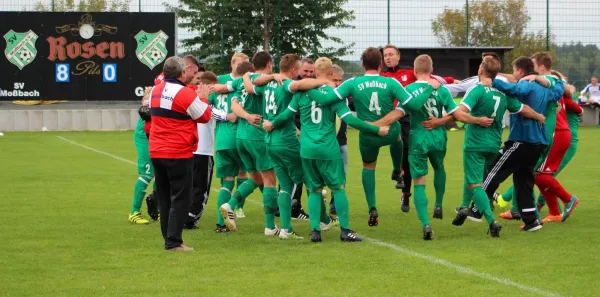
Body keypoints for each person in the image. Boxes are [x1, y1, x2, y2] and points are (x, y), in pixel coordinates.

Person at [294, 47, 440, 227]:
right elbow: (415, 105)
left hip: (368, 134)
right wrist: (428, 88)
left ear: (362, 64)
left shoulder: (353, 82)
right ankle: (397, 171)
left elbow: (325, 100)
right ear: (380, 64)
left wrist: (306, 88)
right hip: (388, 130)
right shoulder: (391, 82)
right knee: (397, 138)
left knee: (368, 167)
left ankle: (372, 207)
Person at [264, 57, 388, 243]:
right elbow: (351, 120)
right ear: (331, 73)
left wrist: (271, 124)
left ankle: (315, 232)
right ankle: (345, 231)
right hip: (328, 149)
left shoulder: (301, 93)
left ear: (314, 72)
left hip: (306, 149)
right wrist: (377, 129)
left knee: (314, 190)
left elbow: (286, 115)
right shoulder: (334, 94)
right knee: (338, 188)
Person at [403, 54, 486, 239]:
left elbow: (403, 110)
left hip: (418, 136)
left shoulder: (408, 89)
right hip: (438, 137)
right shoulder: (442, 90)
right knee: (439, 167)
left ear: (415, 71)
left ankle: (425, 224)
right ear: (431, 70)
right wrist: (441, 121)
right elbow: (455, 114)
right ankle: (438, 203)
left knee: (419, 181)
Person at [474, 56, 561, 232]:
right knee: (523, 181)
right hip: (538, 143)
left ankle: (476, 209)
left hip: (522, 140)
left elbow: (514, 89)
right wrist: (545, 80)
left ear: (521, 71)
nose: (514, 74)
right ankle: (531, 221)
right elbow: (558, 90)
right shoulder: (544, 88)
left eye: (514, 71)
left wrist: (492, 81)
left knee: (492, 169)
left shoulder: (526, 84)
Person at [237, 53, 312, 239]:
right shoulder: (286, 84)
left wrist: (246, 75)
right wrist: (323, 82)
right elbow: (298, 85)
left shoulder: (266, 85)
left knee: (285, 184)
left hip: (269, 141)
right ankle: (322, 222)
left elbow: (248, 87)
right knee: (309, 179)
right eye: (300, 70)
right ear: (294, 70)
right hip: (286, 141)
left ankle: (285, 229)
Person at [380, 44, 455, 212]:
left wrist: (451, 80)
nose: (388, 57)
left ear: (398, 56)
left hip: (409, 119)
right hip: (395, 117)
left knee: (408, 156)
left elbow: (432, 77)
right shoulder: (382, 77)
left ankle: (405, 192)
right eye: (385, 55)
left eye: (391, 54)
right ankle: (396, 172)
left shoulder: (409, 74)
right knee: (401, 149)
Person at [149, 56, 212, 251]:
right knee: (181, 198)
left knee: (165, 197)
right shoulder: (183, 93)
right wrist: (203, 97)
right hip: (177, 151)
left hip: (157, 151)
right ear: (182, 73)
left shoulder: (155, 90)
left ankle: (169, 238)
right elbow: (204, 115)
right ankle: (174, 242)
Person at [213, 52, 280, 235]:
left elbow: (228, 97)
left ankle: (230, 204)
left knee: (255, 178)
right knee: (269, 179)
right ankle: (270, 226)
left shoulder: (239, 81)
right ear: (268, 64)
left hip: (240, 137)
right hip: (257, 135)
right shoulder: (264, 80)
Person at [184, 71, 238, 230]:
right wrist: (227, 116)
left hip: (190, 149)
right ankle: (191, 217)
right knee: (201, 188)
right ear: (207, 86)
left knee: (191, 185)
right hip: (202, 150)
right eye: (212, 87)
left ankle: (185, 214)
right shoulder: (202, 101)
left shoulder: (193, 98)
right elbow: (208, 112)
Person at [529, 70, 582, 223]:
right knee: (540, 175)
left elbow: (577, 107)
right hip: (559, 134)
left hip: (558, 134)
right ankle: (554, 212)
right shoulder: (557, 93)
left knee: (538, 174)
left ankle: (568, 199)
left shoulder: (553, 94)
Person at [211, 62, 257, 233]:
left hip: (222, 142)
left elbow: (206, 107)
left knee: (227, 182)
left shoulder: (219, 85)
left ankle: (220, 224)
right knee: (259, 176)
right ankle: (237, 207)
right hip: (240, 138)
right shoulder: (242, 88)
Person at [218, 53, 251, 215]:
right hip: (233, 135)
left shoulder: (245, 81)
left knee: (241, 173)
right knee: (250, 175)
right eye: (240, 64)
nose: (243, 68)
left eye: (246, 64)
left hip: (234, 135)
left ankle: (238, 208)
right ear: (232, 64)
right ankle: (232, 208)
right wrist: (225, 116)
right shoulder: (221, 79)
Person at [128, 88, 154, 225]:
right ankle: (134, 212)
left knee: (161, 173)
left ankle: (158, 208)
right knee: (148, 173)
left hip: (156, 135)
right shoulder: (151, 97)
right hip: (144, 136)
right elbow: (145, 104)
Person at [328, 64, 350, 216]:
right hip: (325, 143)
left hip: (341, 142)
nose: (337, 83)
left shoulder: (345, 98)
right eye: (334, 79)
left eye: (340, 80)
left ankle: (335, 205)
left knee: (341, 174)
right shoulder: (322, 95)